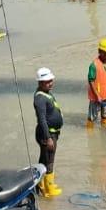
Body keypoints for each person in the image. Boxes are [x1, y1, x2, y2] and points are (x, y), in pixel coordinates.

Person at [34, 67, 64, 198]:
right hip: (47, 134)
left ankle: (41, 184)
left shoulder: (46, 92)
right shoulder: (40, 98)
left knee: (44, 159)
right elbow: (42, 119)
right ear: (40, 83)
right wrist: (48, 138)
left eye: (51, 80)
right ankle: (48, 189)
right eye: (47, 81)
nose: (50, 83)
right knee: (49, 160)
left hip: (52, 133)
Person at [87, 38, 106, 128]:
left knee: (105, 115)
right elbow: (91, 81)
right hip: (96, 97)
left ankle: (104, 131)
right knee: (92, 117)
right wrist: (97, 95)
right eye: (105, 53)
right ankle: (90, 135)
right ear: (100, 51)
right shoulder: (94, 65)